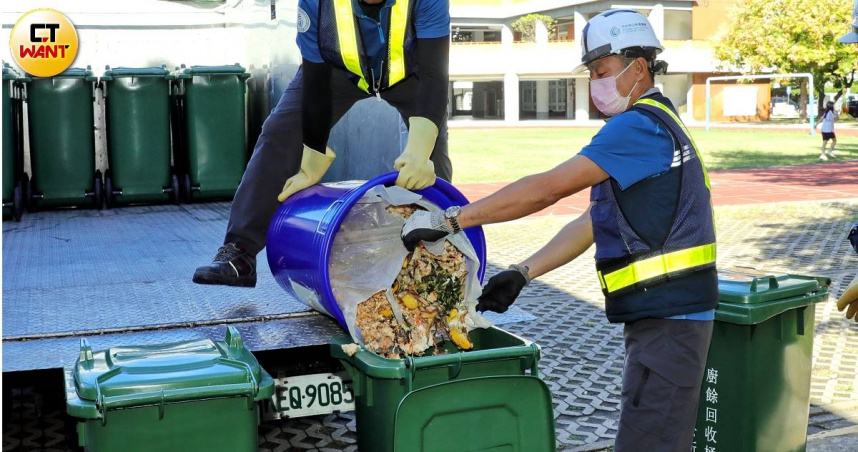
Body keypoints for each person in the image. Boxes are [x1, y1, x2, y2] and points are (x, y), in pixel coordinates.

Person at [401, 10, 716, 451]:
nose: (595, 84)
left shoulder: (638, 126)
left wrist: (449, 219)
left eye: (602, 72)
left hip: (670, 320)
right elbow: (593, 221)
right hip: (664, 319)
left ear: (639, 68)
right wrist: (523, 273)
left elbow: (544, 190)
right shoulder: (656, 122)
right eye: (591, 74)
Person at [193, 0, 452, 287]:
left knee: (433, 159)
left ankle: (442, 255)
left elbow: (434, 74)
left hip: (412, 74)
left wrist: (419, 150)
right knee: (280, 131)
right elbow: (315, 81)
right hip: (336, 72)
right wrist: (312, 156)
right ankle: (240, 252)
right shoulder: (317, 3)